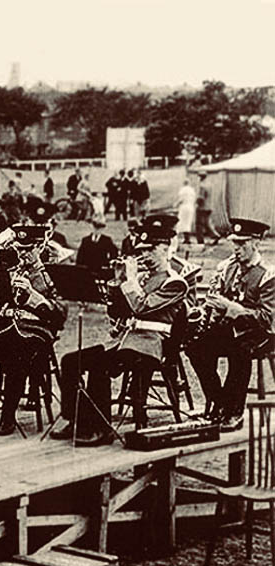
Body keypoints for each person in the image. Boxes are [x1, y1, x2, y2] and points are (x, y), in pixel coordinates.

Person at [50, 215, 188, 444]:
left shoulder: (174, 282)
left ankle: (102, 430)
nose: (144, 255)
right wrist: (117, 281)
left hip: (150, 345)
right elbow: (116, 313)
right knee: (71, 361)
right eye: (142, 251)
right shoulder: (142, 278)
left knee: (100, 366)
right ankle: (76, 419)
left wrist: (130, 280)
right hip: (126, 340)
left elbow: (141, 307)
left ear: (165, 249)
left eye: (150, 250)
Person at [186, 218, 275, 430]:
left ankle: (234, 412)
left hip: (261, 333)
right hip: (232, 328)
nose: (237, 249)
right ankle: (219, 402)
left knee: (239, 349)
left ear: (256, 243)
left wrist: (234, 309)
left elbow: (267, 318)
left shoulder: (268, 274)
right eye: (235, 243)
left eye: (242, 244)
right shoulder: (228, 267)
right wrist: (211, 307)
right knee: (195, 346)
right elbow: (218, 297)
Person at [0, 225, 66, 435]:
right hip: (7, 327)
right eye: (19, 250)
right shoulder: (11, 269)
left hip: (37, 331)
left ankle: (7, 416)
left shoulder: (53, 271)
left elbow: (60, 315)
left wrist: (35, 298)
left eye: (27, 250)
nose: (22, 255)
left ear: (40, 247)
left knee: (16, 353)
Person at [175, 178, 198, 245]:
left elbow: (181, 200)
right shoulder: (192, 190)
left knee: (181, 222)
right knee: (188, 223)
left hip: (184, 207)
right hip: (191, 207)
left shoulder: (182, 190)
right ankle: (187, 239)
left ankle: (181, 239)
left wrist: (175, 204)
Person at [195, 171, 214, 244]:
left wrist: (197, 204)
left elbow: (201, 197)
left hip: (202, 207)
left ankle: (200, 240)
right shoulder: (209, 184)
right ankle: (215, 235)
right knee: (207, 223)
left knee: (199, 224)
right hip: (209, 206)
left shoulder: (202, 185)